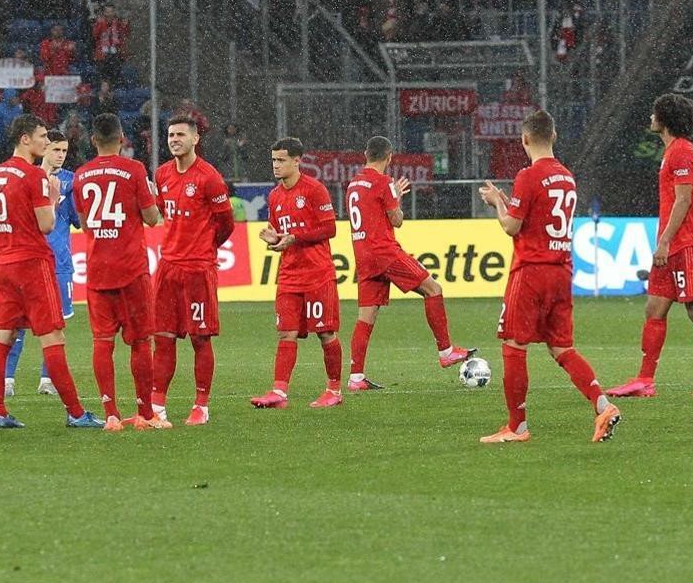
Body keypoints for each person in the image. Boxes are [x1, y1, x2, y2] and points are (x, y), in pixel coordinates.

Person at [477, 110, 620, 443]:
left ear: (524, 139)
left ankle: (517, 427)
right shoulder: (567, 176)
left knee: (514, 346)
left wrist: (497, 204)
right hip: (560, 271)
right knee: (562, 348)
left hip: (531, 271)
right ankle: (603, 406)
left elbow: (512, 226)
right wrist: (504, 199)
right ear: (553, 136)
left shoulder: (528, 176)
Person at [606, 94, 693, 398]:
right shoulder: (674, 151)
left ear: (664, 120)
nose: (650, 118)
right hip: (673, 243)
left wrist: (664, 240)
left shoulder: (681, 152)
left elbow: (684, 199)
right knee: (654, 306)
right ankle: (644, 380)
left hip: (686, 242)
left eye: (654, 114)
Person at [0, 114, 102, 429]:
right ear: (25, 139)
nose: (46, 143)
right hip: (33, 264)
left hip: (4, 261)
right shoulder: (34, 176)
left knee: (3, 335)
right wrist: (50, 194)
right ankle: (76, 413)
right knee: (53, 335)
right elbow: (47, 225)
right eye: (41, 137)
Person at [345, 136, 476, 390]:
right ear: (390, 156)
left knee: (366, 317)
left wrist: (391, 196)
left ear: (365, 154)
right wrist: (396, 197)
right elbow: (396, 220)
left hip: (363, 254)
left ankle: (356, 378)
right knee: (433, 289)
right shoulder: (383, 182)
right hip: (384, 251)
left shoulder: (354, 183)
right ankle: (446, 351)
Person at [73, 113, 170, 431]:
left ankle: (111, 415)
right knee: (141, 342)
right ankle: (145, 414)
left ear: (92, 141)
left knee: (103, 342)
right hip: (131, 269)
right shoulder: (134, 170)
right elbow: (152, 217)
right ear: (122, 139)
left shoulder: (82, 175)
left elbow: (86, 222)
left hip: (98, 270)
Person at [151, 116, 235, 425]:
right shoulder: (162, 174)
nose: (174, 139)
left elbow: (226, 223)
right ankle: (157, 406)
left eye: (181, 135)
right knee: (163, 337)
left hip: (198, 269)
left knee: (200, 339)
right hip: (168, 268)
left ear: (195, 139)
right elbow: (162, 211)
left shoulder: (209, 177)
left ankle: (201, 406)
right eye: (171, 135)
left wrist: (206, 247)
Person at [250, 137, 344, 410]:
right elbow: (284, 235)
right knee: (286, 333)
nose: (276, 166)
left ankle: (334, 390)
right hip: (289, 274)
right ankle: (279, 392)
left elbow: (329, 229)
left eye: (281, 160)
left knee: (325, 333)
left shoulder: (314, 190)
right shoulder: (275, 195)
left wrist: (294, 238)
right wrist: (275, 239)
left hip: (317, 273)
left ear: (297, 160)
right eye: (273, 160)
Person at [4, 130, 80, 396]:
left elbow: (78, 220)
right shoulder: (29, 177)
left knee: (56, 326)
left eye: (64, 151)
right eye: (55, 149)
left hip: (59, 264)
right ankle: (8, 380)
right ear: (44, 149)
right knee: (20, 323)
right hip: (30, 261)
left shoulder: (72, 182)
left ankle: (47, 380)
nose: (60, 155)